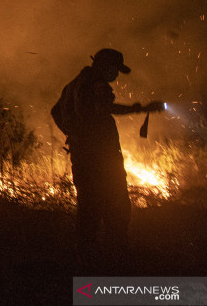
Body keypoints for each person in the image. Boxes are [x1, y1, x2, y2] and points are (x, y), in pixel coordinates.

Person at [52, 48, 163, 268]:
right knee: (117, 206)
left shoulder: (75, 84)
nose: (116, 75)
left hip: (82, 157)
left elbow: (55, 111)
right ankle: (117, 257)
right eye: (115, 70)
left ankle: (86, 257)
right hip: (102, 158)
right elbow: (106, 107)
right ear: (104, 66)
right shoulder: (98, 84)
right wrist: (139, 109)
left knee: (88, 208)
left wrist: (73, 134)